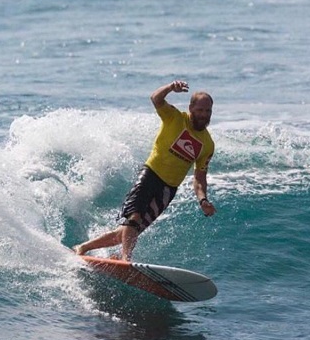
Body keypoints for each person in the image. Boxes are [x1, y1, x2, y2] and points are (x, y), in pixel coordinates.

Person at [74, 80, 215, 262]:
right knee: (134, 217)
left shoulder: (207, 144)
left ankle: (83, 247)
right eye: (200, 110)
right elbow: (156, 99)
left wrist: (203, 199)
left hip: (168, 189)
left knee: (128, 230)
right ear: (191, 108)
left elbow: (199, 178)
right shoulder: (174, 117)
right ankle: (126, 259)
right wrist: (170, 88)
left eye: (208, 111)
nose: (204, 115)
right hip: (150, 174)